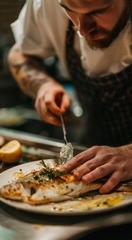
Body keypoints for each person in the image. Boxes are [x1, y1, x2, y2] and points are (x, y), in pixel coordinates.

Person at [8, 0, 132, 193]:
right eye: (69, 11)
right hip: (92, 153)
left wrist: (129, 154)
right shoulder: (47, 3)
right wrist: (43, 86)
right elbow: (20, 54)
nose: (82, 30)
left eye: (99, 11)